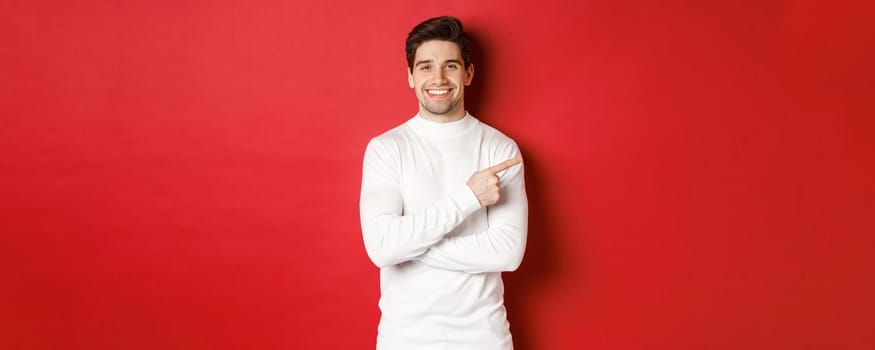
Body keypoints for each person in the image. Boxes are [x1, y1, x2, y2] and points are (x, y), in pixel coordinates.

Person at [359, 16, 528, 350]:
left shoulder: (499, 148)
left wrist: (408, 246)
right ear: (410, 76)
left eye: (450, 65)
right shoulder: (387, 148)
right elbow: (381, 247)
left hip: (484, 339)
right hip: (403, 340)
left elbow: (507, 253)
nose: (438, 78)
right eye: (425, 67)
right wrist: (469, 197)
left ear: (468, 74)